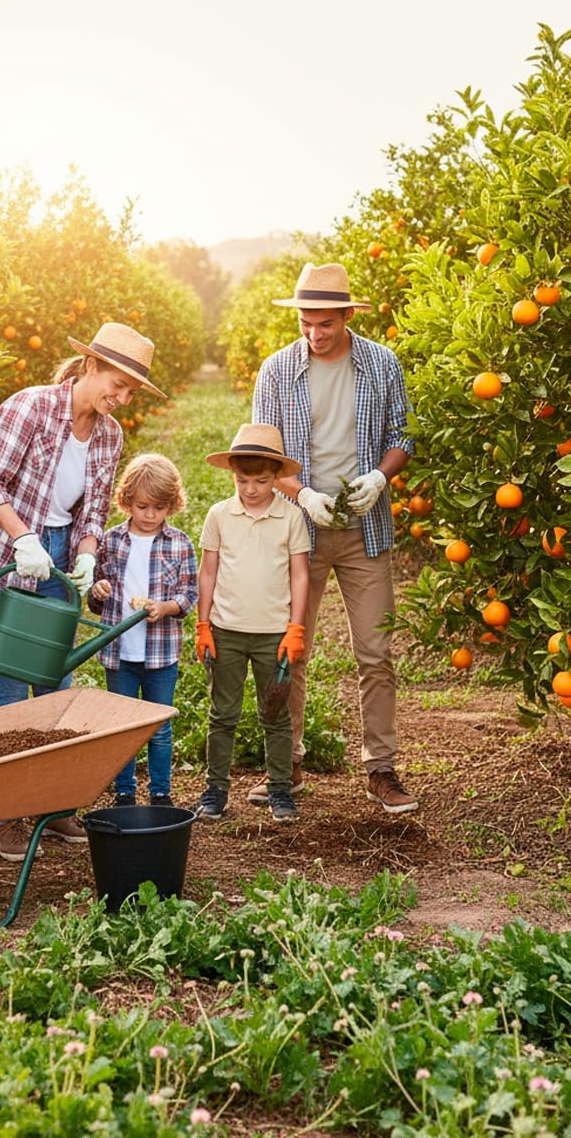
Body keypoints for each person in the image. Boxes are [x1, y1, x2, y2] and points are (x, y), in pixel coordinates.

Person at [0, 322, 165, 859]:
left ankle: (51, 811)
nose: (119, 399)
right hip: (4, 551)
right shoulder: (30, 408)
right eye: (115, 384)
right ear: (91, 366)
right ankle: (6, 818)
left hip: (56, 559)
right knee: (9, 688)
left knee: (56, 684)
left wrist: (89, 552)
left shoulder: (110, 435)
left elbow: (93, 509)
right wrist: (24, 538)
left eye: (129, 393)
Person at [250, 262, 418, 814]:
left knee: (376, 653)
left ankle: (381, 769)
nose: (315, 334)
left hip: (365, 530)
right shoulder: (276, 372)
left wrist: (380, 476)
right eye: (305, 323)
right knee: (290, 650)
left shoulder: (381, 363)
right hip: (302, 530)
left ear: (347, 315)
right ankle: (287, 765)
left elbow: (402, 435)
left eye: (325, 323)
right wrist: (300, 494)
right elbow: (263, 457)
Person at [193, 424, 311, 823]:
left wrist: (295, 629)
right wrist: (203, 624)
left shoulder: (291, 517)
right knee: (222, 714)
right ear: (233, 476)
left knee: (276, 714)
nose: (251, 489)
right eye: (243, 480)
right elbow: (208, 571)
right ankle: (215, 790)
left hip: (273, 635)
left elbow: (300, 575)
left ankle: (280, 789)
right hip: (226, 630)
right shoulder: (219, 516)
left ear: (276, 477)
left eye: (261, 480)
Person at [87, 454, 197, 807]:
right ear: (127, 501)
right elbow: (96, 591)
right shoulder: (111, 540)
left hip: (160, 654)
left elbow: (189, 594)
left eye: (159, 508)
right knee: (122, 727)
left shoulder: (179, 543)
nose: (150, 515)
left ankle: (161, 793)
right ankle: (124, 793)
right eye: (143, 506)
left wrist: (165, 608)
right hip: (118, 653)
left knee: (159, 727)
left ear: (172, 505)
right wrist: (97, 590)